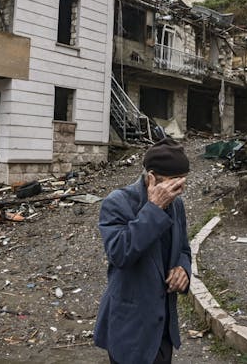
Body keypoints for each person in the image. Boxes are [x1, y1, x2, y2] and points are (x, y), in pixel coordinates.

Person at [94, 137, 192, 364]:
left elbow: (184, 248)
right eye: (172, 182)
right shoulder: (117, 202)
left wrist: (183, 270)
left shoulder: (177, 204)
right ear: (151, 178)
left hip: (163, 328)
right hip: (130, 330)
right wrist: (154, 209)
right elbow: (119, 253)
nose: (179, 189)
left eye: (182, 181)